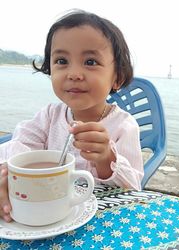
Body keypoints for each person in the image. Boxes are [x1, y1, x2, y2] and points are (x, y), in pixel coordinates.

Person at [0, 9, 144, 222]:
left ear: (118, 77)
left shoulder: (124, 125)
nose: (74, 74)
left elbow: (133, 188)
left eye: (90, 62)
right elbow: (19, 146)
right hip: (47, 213)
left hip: (102, 219)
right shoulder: (50, 116)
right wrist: (7, 172)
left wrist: (106, 158)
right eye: (61, 61)